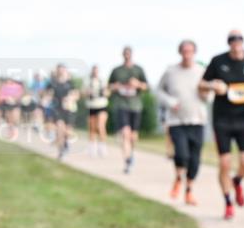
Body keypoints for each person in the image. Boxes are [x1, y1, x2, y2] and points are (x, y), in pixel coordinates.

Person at [199, 29, 244, 220]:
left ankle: (238, 181)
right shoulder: (218, 61)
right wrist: (213, 86)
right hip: (223, 119)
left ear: (243, 41)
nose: (235, 42)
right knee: (225, 163)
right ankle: (228, 202)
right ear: (228, 43)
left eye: (238, 39)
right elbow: (201, 84)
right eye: (231, 39)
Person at [157, 40, 208, 206]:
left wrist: (206, 95)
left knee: (195, 158)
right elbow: (159, 90)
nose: (187, 54)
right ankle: (179, 178)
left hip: (197, 120)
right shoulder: (171, 71)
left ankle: (189, 190)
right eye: (184, 51)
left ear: (194, 53)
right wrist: (170, 102)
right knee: (181, 154)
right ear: (180, 52)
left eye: (190, 51)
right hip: (176, 121)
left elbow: (209, 93)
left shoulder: (202, 71)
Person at [108, 46, 149, 174]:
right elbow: (109, 86)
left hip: (135, 105)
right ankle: (127, 160)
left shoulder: (138, 69)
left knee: (133, 136)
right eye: (125, 53)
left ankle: (131, 153)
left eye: (129, 54)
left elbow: (146, 86)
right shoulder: (116, 70)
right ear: (122, 55)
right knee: (125, 133)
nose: (127, 55)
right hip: (122, 104)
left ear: (131, 55)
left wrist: (137, 84)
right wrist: (116, 86)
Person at [50, 64, 79, 160]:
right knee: (59, 129)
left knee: (67, 131)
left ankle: (66, 143)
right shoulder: (53, 83)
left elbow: (77, 95)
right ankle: (61, 151)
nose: (61, 72)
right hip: (58, 109)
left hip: (69, 109)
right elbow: (47, 94)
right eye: (59, 70)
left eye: (62, 70)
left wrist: (70, 98)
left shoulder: (70, 83)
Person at [84, 65, 110, 156]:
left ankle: (102, 146)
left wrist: (104, 92)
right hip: (91, 106)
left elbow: (108, 92)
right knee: (92, 128)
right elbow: (83, 92)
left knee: (100, 126)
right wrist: (87, 93)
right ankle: (92, 147)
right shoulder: (87, 81)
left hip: (101, 105)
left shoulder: (103, 80)